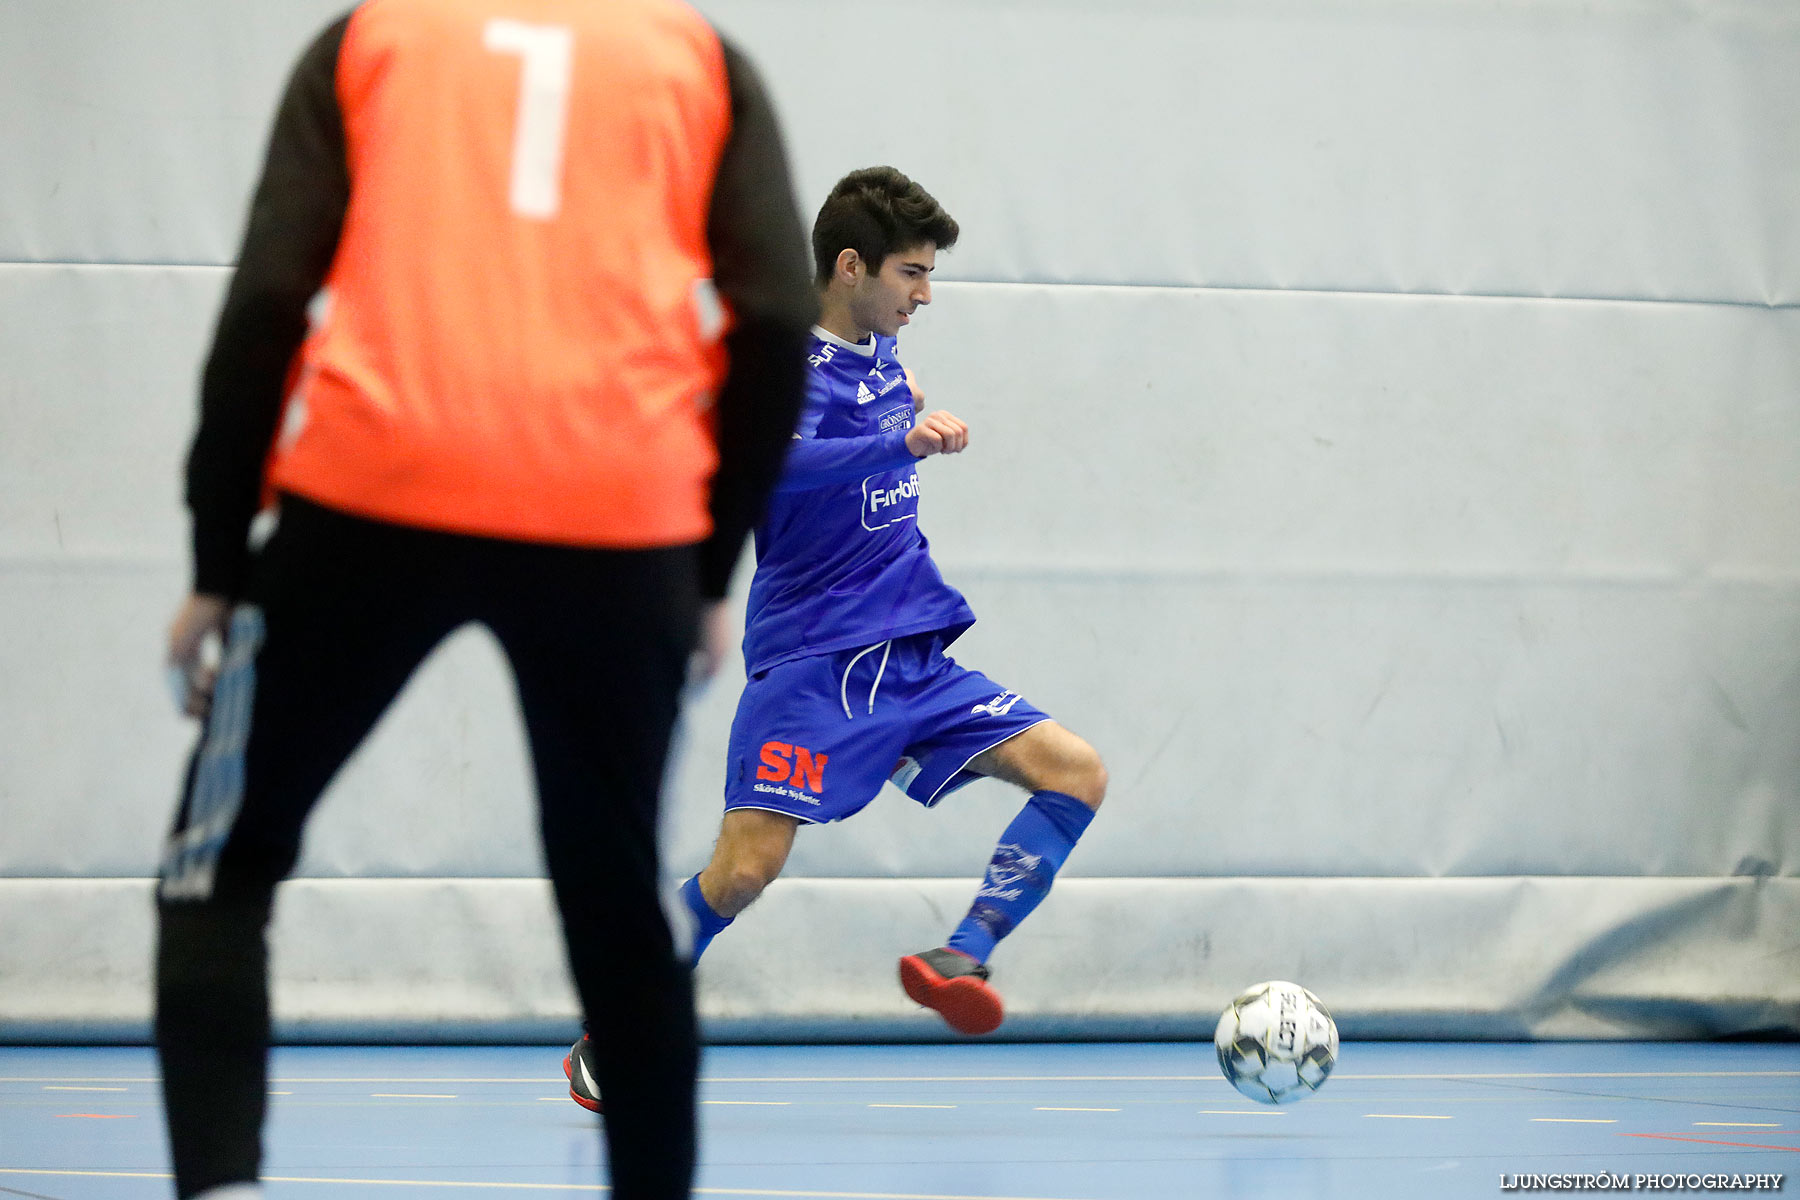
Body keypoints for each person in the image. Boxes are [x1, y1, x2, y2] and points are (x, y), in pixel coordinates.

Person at [155, 2, 815, 1197]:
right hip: (616, 517)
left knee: (219, 865)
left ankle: (222, 1183)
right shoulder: (701, 62)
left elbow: (264, 301)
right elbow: (773, 318)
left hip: (370, 492)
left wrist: (217, 557)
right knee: (617, 902)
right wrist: (707, 569)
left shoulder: (369, 40)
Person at [563, 166, 1106, 1110]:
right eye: (911, 273)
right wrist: (899, 443)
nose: (925, 294)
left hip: (913, 655)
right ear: (849, 266)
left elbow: (877, 404)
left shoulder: (885, 358)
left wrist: (900, 412)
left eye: (930, 275)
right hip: (814, 666)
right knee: (742, 872)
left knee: (1077, 773)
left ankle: (961, 955)